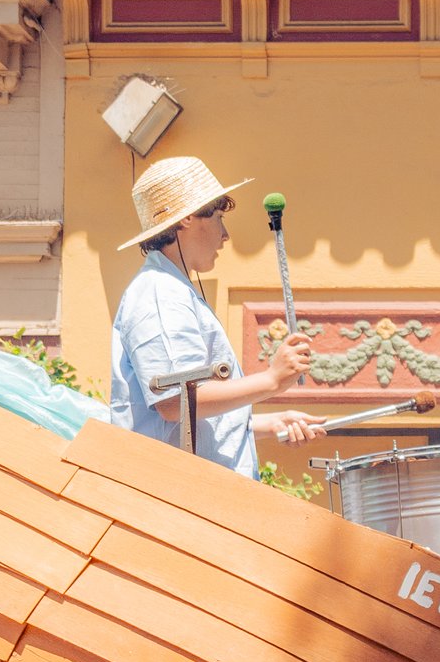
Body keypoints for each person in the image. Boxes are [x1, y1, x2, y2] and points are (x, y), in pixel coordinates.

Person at [110, 156, 324, 478]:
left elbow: (193, 418)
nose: (226, 235)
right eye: (219, 217)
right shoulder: (160, 293)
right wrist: (271, 380)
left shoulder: (171, 289)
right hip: (183, 502)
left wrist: (269, 423)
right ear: (187, 219)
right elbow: (174, 401)